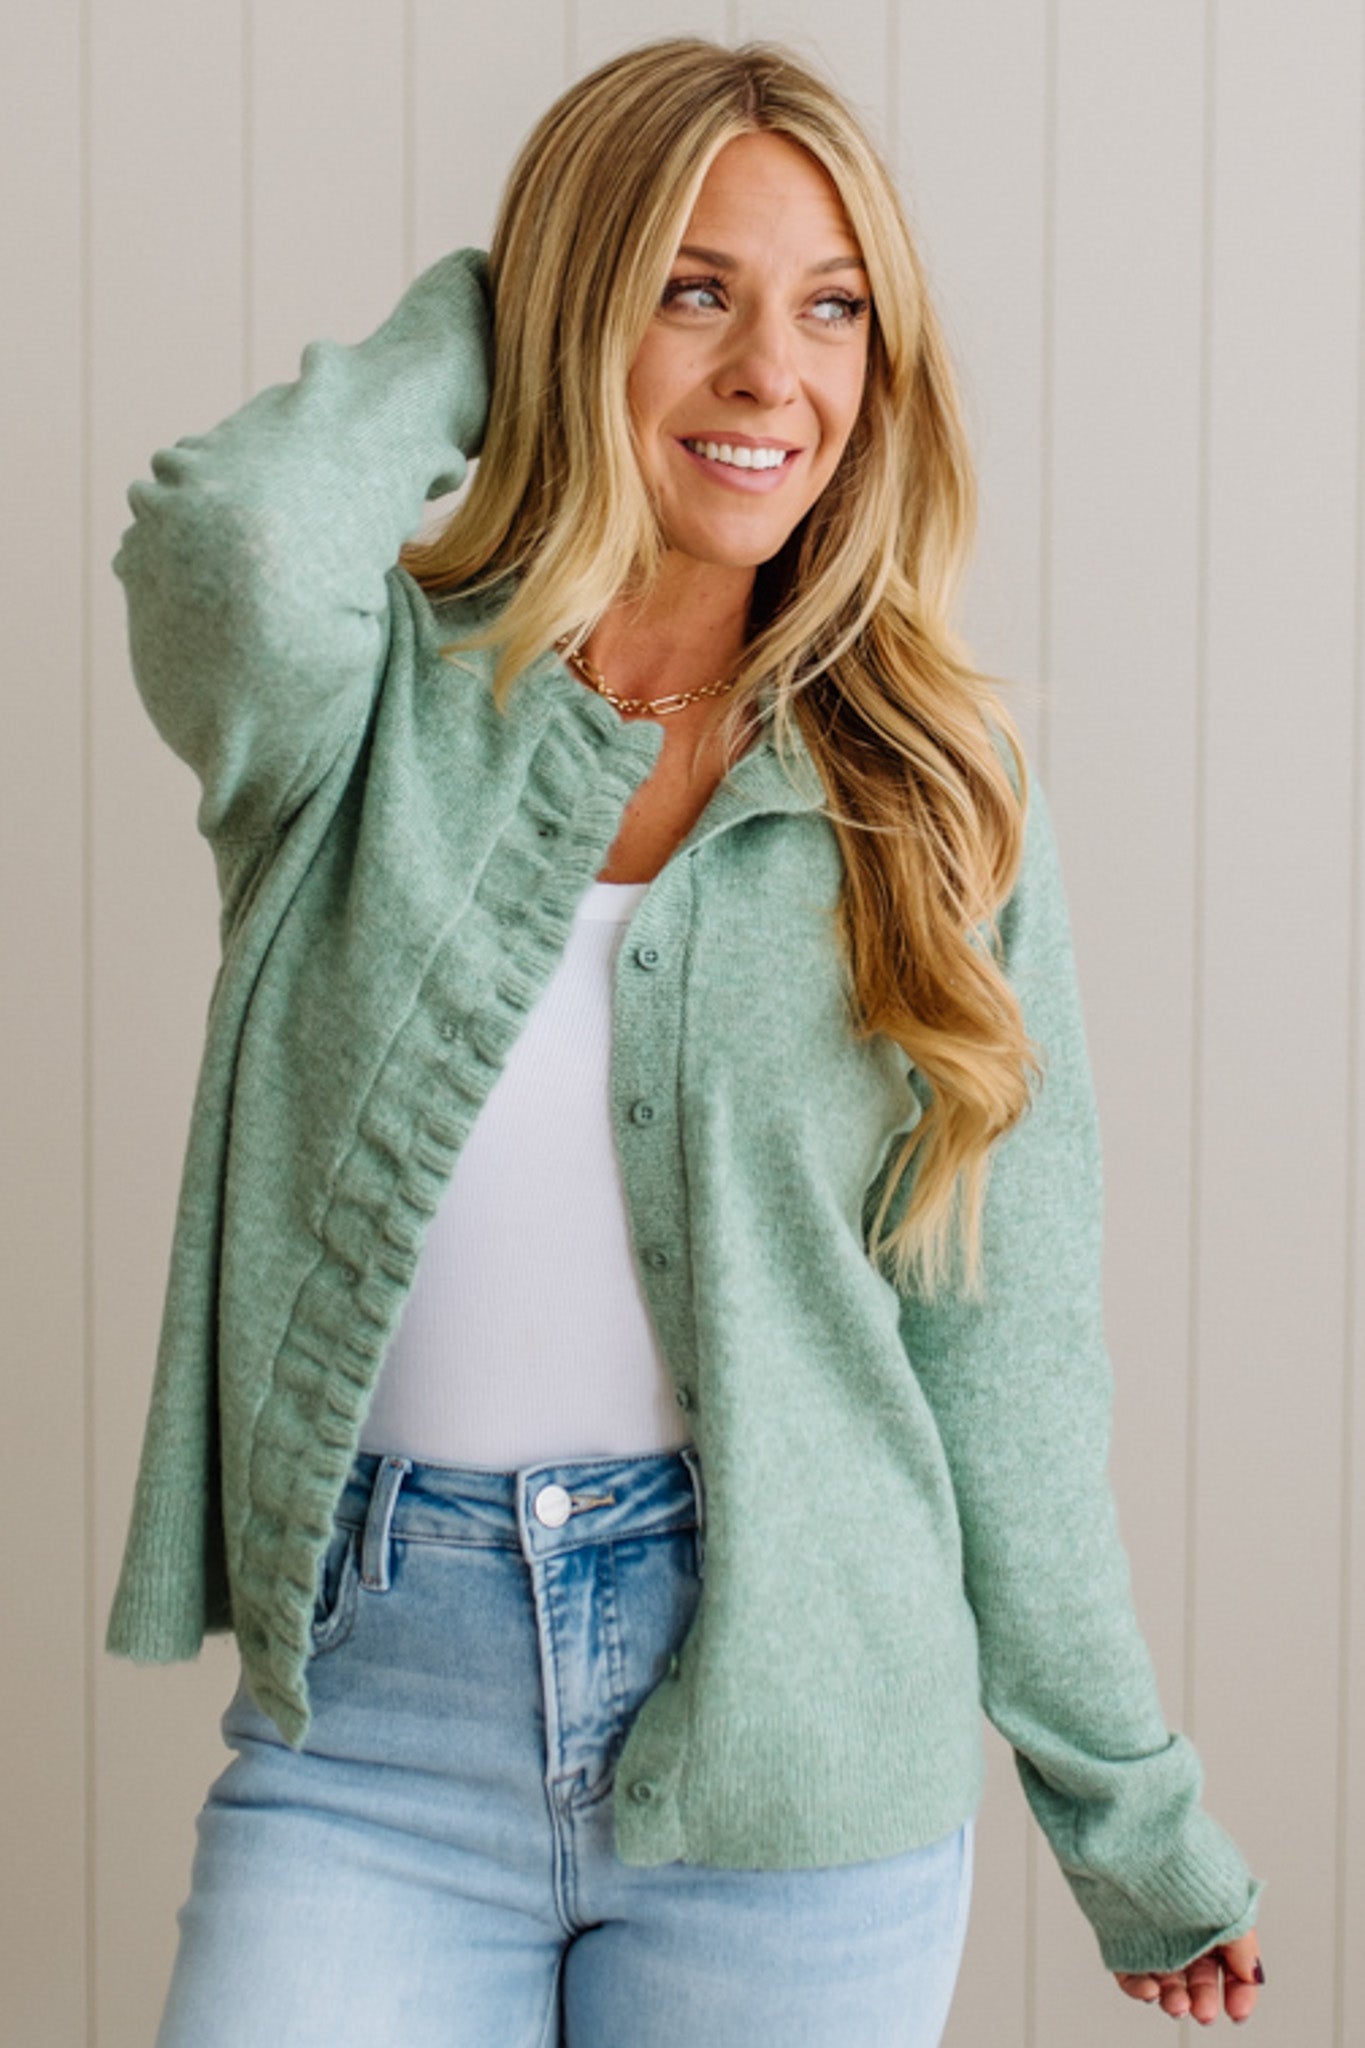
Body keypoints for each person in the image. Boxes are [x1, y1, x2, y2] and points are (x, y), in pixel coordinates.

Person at [106, 35, 1267, 2048]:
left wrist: (1124, 1810)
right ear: (568, 317)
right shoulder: (365, 706)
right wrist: (475, 326)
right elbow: (226, 548)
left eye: (831, 311)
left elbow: (1000, 1352)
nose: (770, 379)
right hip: (378, 1726)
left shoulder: (934, 788)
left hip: (794, 1738)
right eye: (688, 291)